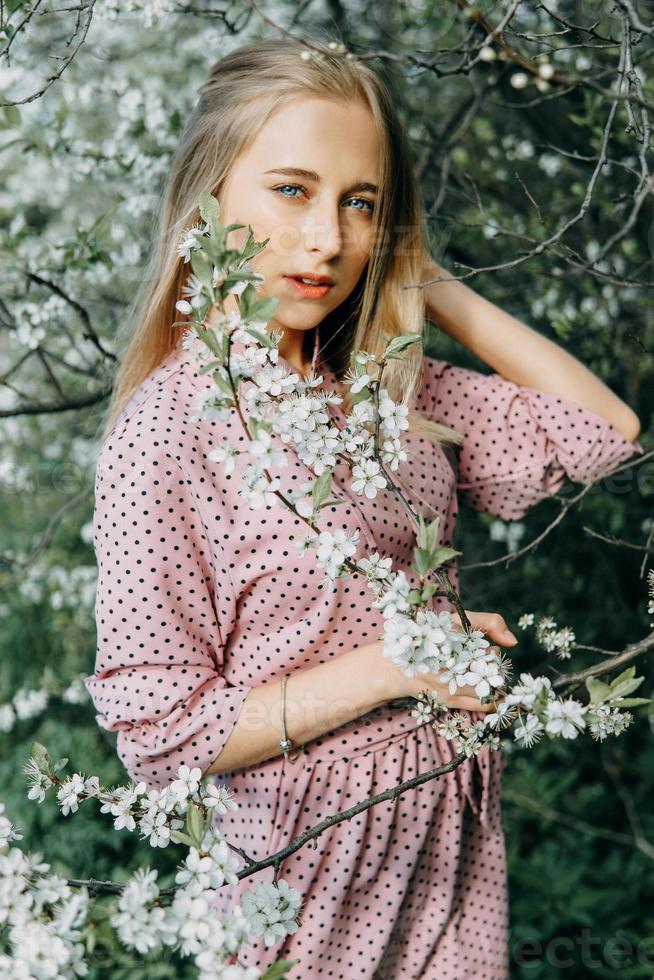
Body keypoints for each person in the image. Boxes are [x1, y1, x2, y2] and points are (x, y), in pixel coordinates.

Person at [83, 38, 643, 978]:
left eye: (361, 204)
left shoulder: (390, 395)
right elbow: (161, 730)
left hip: (448, 842)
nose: (328, 240)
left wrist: (426, 279)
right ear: (209, 196)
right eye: (292, 191)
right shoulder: (167, 433)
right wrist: (397, 666)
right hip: (306, 876)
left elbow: (604, 425)